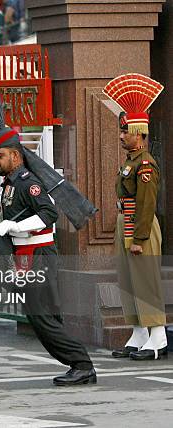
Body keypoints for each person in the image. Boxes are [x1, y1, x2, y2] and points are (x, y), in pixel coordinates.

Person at [0, 90, 97, 386]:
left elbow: (49, 214)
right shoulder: (9, 185)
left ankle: (82, 364)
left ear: (15, 156)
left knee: (43, 319)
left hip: (39, 257)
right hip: (22, 256)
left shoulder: (28, 183)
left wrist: (12, 228)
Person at [103, 74, 167, 360]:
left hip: (139, 226)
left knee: (145, 280)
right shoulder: (131, 162)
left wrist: (139, 237)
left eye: (125, 130)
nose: (121, 135)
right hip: (124, 223)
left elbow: (146, 204)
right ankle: (139, 332)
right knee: (128, 281)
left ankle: (158, 336)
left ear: (139, 132)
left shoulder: (145, 165)